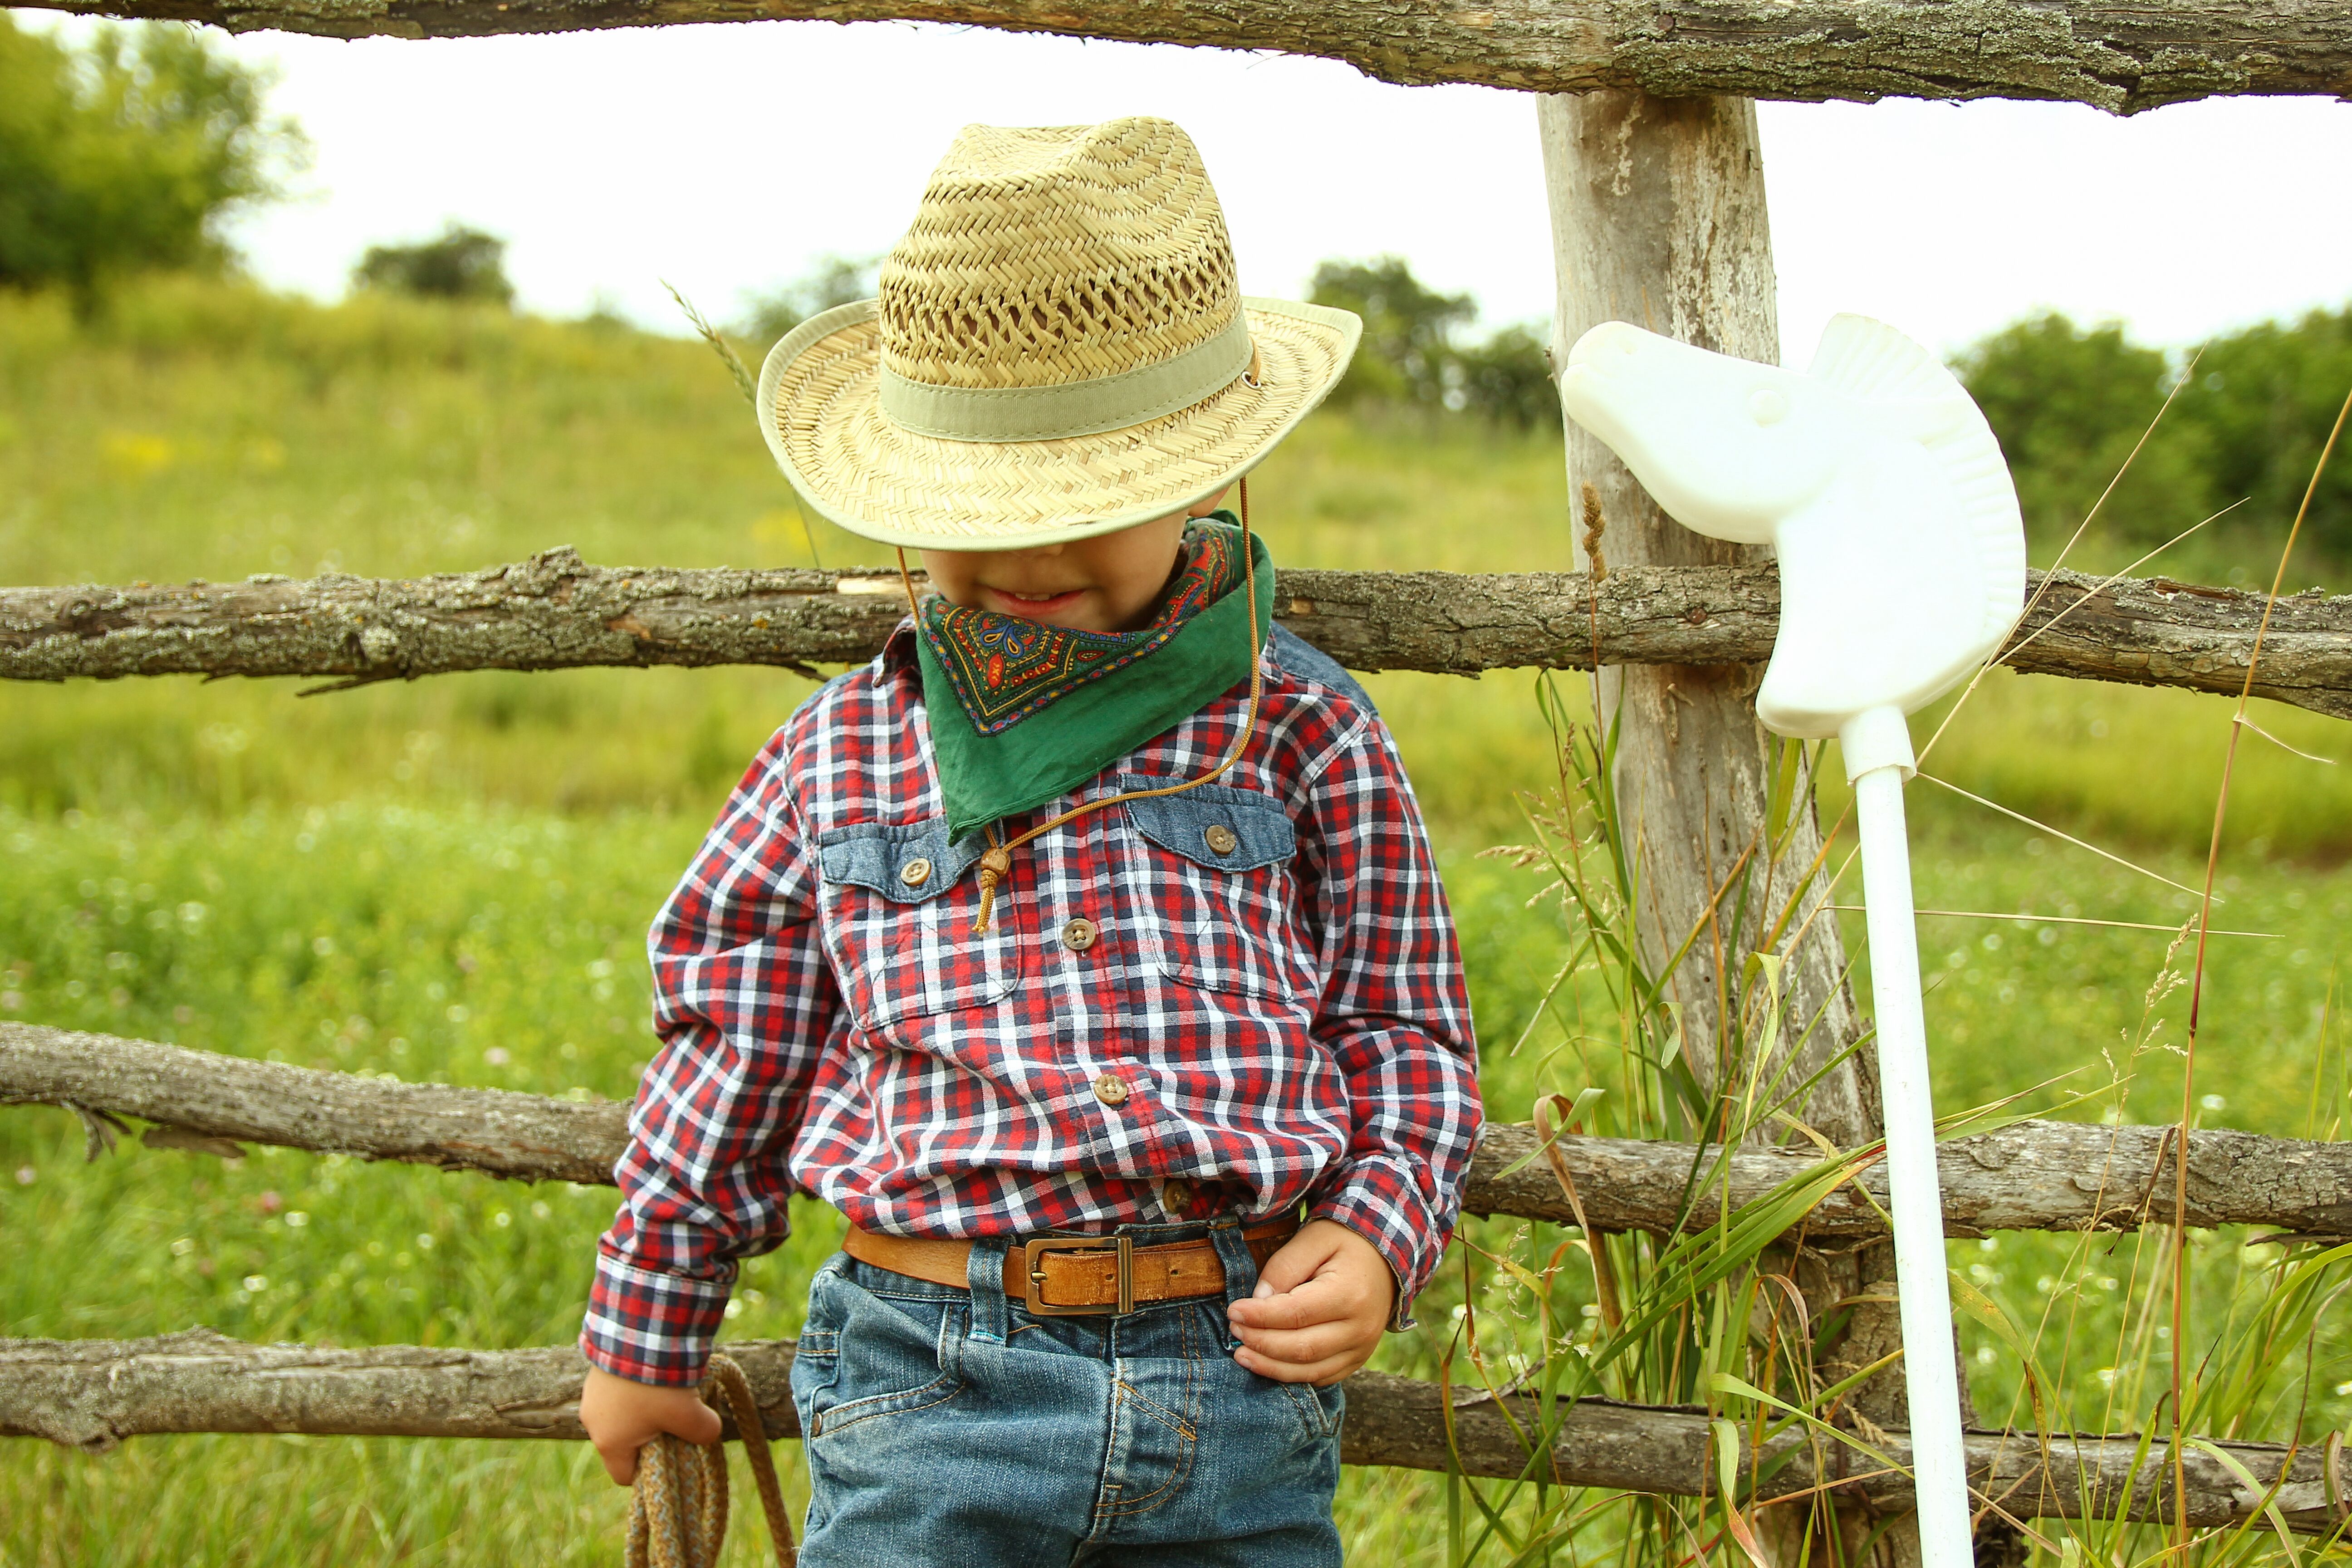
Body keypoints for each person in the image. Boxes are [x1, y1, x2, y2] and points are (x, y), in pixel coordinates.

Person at [576, 116, 1481, 1565]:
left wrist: (1380, 1230)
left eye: (1095, 506)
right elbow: (732, 1048)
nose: (1032, 559)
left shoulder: (1299, 728)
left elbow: (1404, 1027)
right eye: (975, 515)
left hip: (1235, 1383)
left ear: (1206, 478)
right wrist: (647, 1321)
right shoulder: (843, 752)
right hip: (931, 1384)